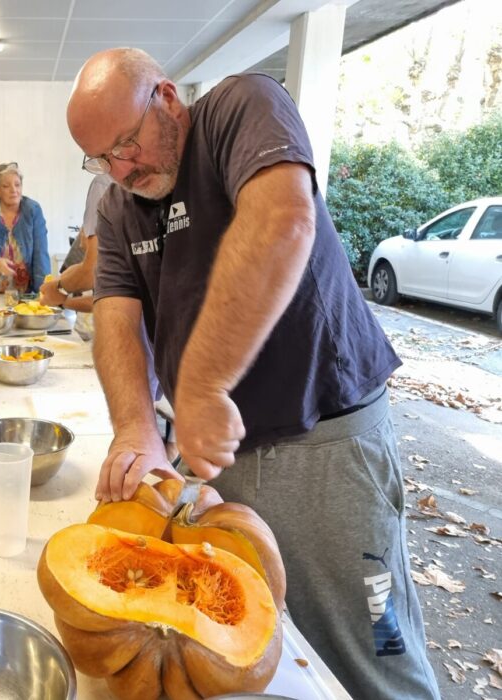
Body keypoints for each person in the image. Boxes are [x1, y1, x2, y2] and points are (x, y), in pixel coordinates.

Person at [66, 48, 439, 699]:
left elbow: (281, 219)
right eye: (102, 159)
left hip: (326, 441)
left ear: (167, 98)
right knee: (254, 640)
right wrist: (133, 429)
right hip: (222, 452)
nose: (122, 170)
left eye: (127, 142)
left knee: (372, 643)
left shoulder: (242, 107)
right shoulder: (121, 210)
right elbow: (116, 317)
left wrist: (202, 385)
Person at [39, 172, 114, 335]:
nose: (81, 241)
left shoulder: (102, 184)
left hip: (100, 334)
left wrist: (62, 297)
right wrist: (59, 287)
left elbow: (97, 295)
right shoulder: (82, 253)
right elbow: (74, 272)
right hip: (85, 332)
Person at [0, 162, 50, 295]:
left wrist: (43, 292)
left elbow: (40, 254)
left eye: (17, 185)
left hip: (25, 292)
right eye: (6, 186)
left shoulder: (33, 210)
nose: (14, 190)